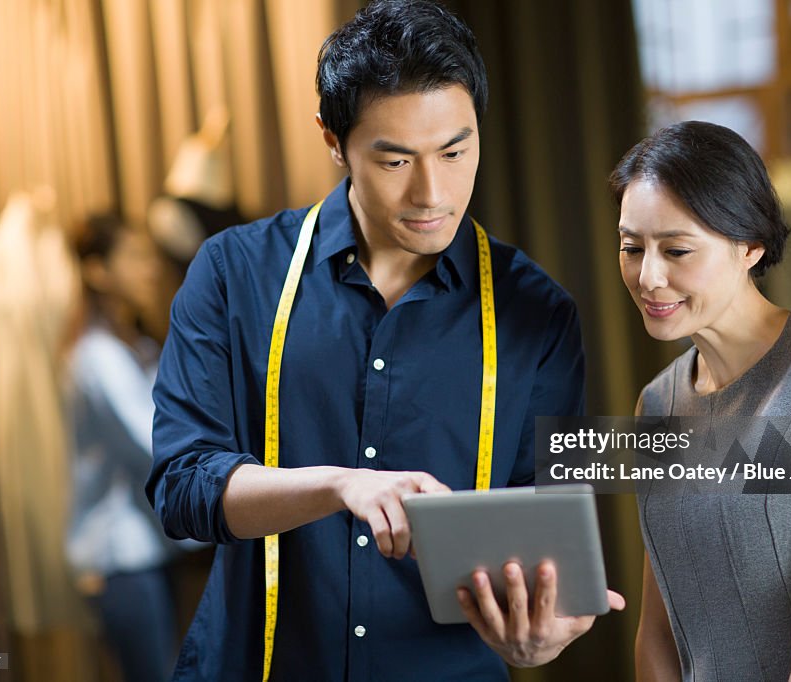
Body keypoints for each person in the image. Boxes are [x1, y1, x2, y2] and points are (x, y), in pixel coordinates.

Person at [148, 1, 623, 680]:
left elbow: (544, 530)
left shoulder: (536, 313)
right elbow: (182, 487)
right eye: (395, 160)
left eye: (456, 151)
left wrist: (540, 635)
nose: (434, 192)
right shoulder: (234, 275)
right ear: (333, 141)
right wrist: (340, 485)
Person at [611, 120, 791, 681]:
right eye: (631, 247)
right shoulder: (655, 405)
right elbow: (658, 629)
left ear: (750, 245)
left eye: (676, 249)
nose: (648, 276)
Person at [66, 214, 179, 682]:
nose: (150, 268)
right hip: (121, 558)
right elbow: (155, 446)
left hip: (150, 553)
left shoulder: (136, 347)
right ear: (98, 271)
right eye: (134, 257)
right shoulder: (96, 358)